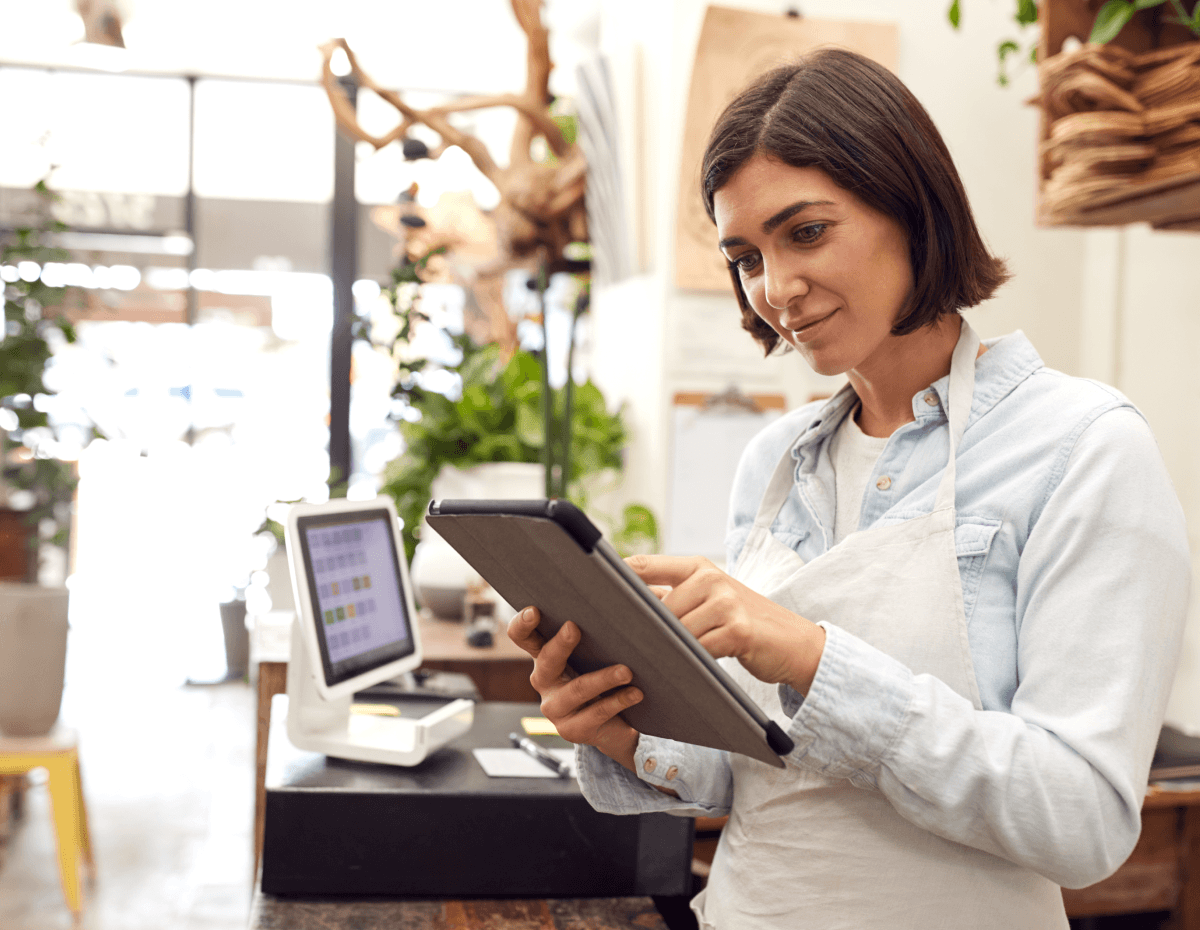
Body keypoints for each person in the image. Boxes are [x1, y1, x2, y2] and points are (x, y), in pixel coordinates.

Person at [508, 48, 1190, 929]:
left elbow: (1083, 824)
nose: (776, 291)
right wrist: (623, 732)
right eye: (746, 256)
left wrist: (813, 657)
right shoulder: (776, 463)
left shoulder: (1083, 449)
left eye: (807, 232)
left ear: (912, 207)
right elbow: (758, 766)